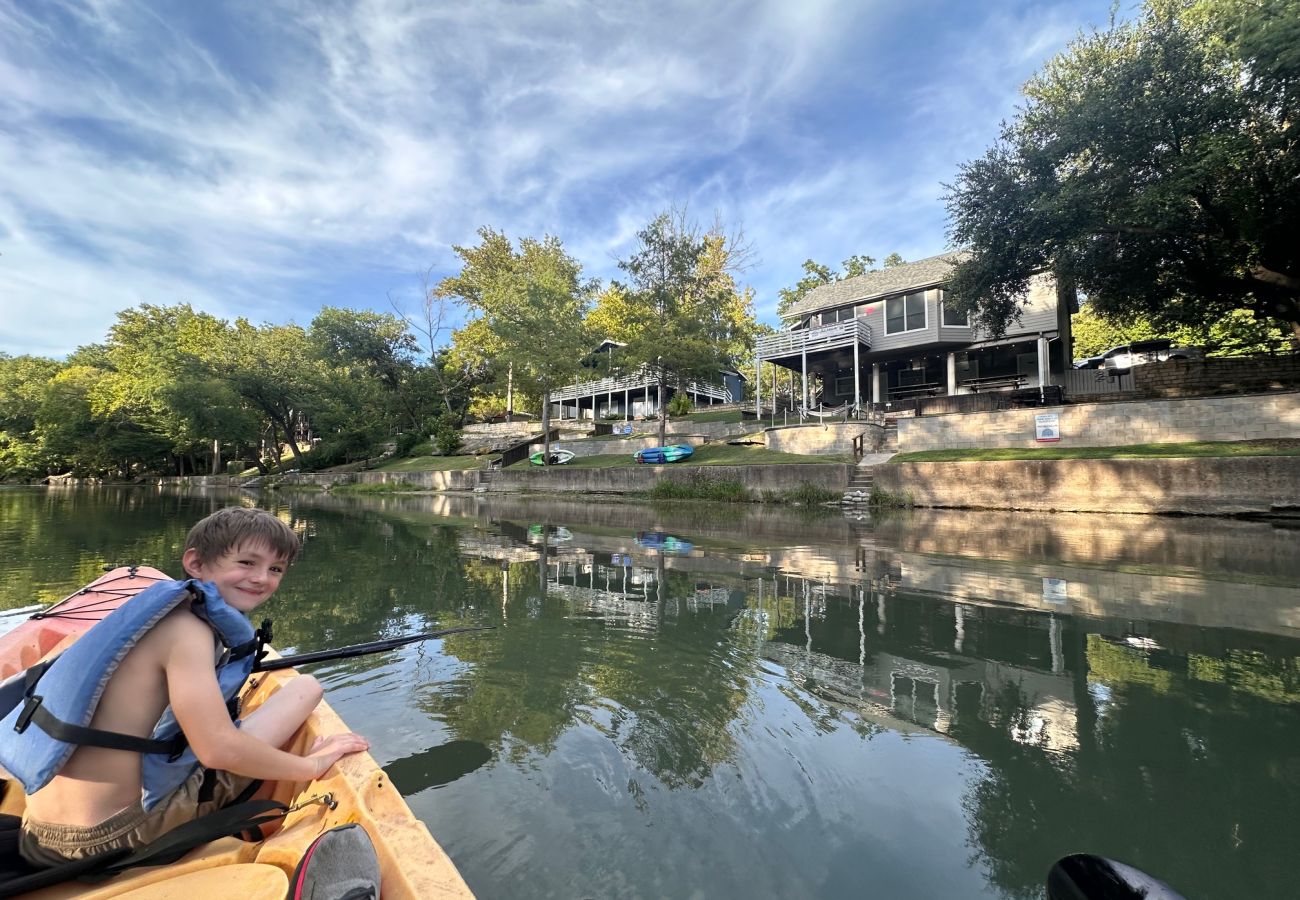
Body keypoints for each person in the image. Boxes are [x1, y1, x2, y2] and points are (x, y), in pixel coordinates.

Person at [15, 507, 370, 867]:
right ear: (196, 564)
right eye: (247, 562)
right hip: (110, 838)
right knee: (305, 688)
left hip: (37, 831)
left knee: (305, 687)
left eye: (275, 569)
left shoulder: (156, 614)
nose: (262, 578)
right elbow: (217, 751)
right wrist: (311, 765)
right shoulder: (189, 631)